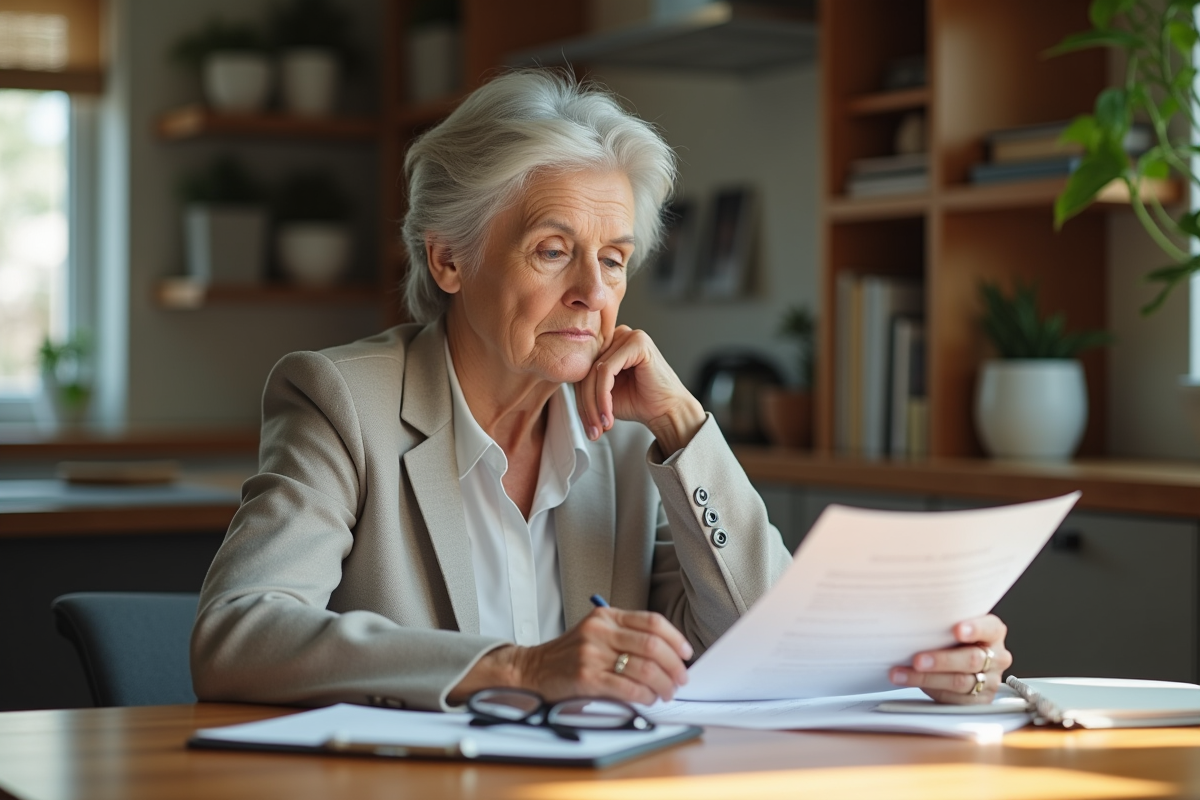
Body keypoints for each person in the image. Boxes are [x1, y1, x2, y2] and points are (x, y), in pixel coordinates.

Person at [191, 70, 1011, 712]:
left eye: (613, 259)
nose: (592, 292)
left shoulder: (625, 434)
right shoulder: (342, 400)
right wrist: (518, 668)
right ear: (448, 260)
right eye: (553, 250)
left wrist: (684, 426)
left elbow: (757, 642)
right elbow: (236, 636)